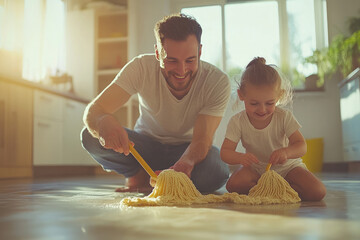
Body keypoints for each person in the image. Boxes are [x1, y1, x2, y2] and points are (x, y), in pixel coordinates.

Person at [81, 13, 231, 193]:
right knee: (90, 136)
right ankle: (138, 175)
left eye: (190, 60)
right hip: (144, 147)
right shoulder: (140, 67)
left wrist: (186, 162)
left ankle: (171, 179)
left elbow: (202, 140)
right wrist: (102, 121)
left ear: (199, 51)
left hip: (187, 150)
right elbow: (93, 111)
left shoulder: (216, 81)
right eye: (171, 60)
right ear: (158, 53)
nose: (181, 71)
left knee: (218, 170)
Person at [220, 57, 326, 201]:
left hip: (288, 168)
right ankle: (271, 188)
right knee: (233, 184)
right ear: (241, 95)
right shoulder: (237, 121)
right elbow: (225, 153)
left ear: (279, 96)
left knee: (318, 191)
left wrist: (286, 152)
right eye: (254, 103)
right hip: (257, 169)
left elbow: (302, 146)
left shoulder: (284, 116)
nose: (262, 109)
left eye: (269, 103)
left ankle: (278, 188)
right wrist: (240, 157)